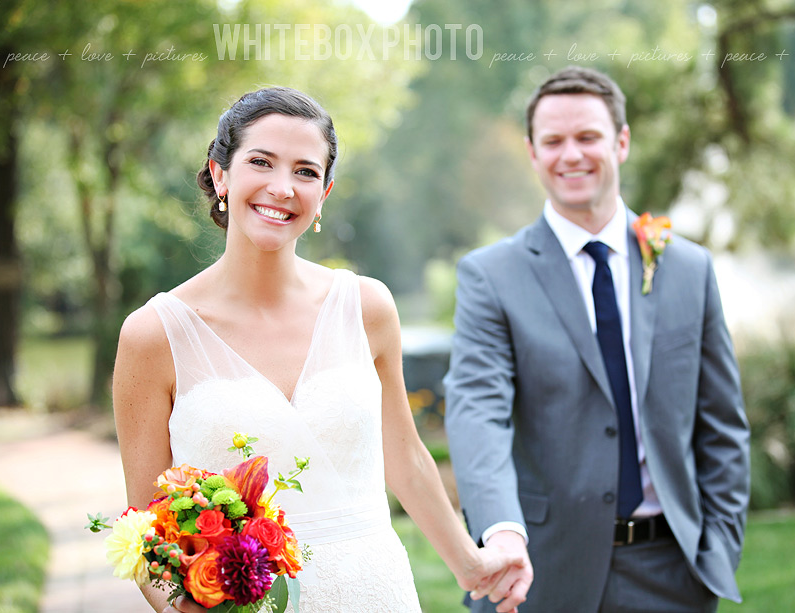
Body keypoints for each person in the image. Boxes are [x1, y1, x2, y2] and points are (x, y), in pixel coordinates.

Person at [113, 86, 522, 613]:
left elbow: (405, 458)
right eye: (261, 162)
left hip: (378, 591)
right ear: (220, 174)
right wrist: (184, 605)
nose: (282, 188)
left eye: (305, 171)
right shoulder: (154, 334)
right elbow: (146, 524)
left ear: (324, 194)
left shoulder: (366, 307)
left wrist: (473, 566)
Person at [444, 66, 750, 612]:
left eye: (587, 137)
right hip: (541, 572)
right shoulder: (491, 275)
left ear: (622, 142)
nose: (572, 155)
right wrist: (502, 531)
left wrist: (719, 547)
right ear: (532, 153)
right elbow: (477, 412)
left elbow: (722, 423)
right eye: (553, 141)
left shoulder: (689, 268)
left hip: (675, 575)